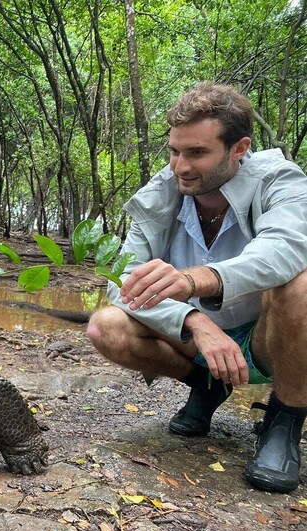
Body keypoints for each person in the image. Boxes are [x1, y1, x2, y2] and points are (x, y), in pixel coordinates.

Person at [87, 82, 307, 493]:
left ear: (239, 149)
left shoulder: (280, 180)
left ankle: (284, 420)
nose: (181, 167)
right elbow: (123, 283)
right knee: (105, 325)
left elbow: (287, 247)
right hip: (199, 339)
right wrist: (193, 320)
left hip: (268, 334)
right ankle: (208, 386)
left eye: (197, 153)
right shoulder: (160, 196)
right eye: (174, 151)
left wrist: (195, 280)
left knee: (302, 284)